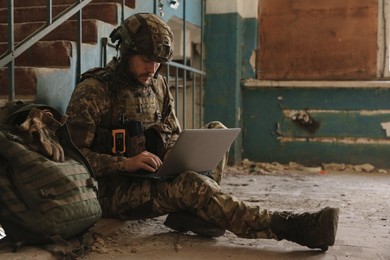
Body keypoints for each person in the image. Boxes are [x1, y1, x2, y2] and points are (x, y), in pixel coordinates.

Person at [65, 13, 339, 251]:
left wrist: (174, 149)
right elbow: (71, 159)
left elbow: (172, 129)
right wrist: (124, 162)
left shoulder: (157, 85)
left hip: (153, 175)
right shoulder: (94, 91)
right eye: (146, 59)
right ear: (125, 51)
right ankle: (291, 226)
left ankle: (194, 212)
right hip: (113, 191)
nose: (153, 68)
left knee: (215, 131)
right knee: (192, 185)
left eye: (159, 61)